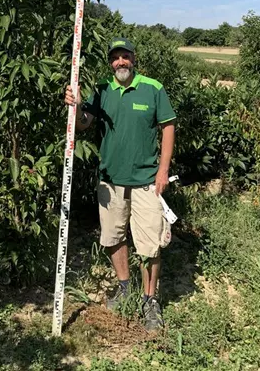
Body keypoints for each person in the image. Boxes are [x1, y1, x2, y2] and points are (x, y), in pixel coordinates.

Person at [65, 37, 177, 331]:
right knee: (113, 238)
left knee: (150, 246)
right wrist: (76, 107)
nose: (120, 62)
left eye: (125, 56)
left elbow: (168, 127)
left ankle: (150, 300)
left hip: (145, 182)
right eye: (115, 58)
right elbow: (85, 122)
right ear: (110, 63)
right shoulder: (102, 89)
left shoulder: (153, 88)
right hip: (111, 181)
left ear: (133, 58)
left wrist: (163, 171)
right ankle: (125, 287)